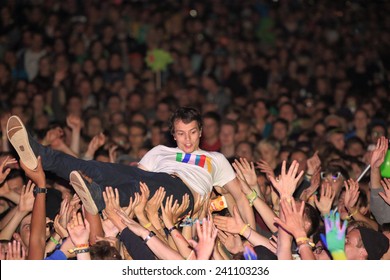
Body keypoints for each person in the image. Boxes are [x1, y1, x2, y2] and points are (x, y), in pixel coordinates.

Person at [6, 107, 255, 228]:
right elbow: (135, 177)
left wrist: (250, 238)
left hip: (185, 195)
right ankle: (40, 154)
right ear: (174, 135)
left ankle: (98, 197)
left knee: (141, 185)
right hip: (155, 181)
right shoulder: (160, 152)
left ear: (200, 132)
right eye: (181, 134)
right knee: (96, 168)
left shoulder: (216, 159)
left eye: (192, 132)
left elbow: (241, 199)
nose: (188, 139)